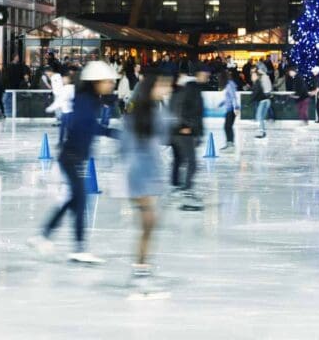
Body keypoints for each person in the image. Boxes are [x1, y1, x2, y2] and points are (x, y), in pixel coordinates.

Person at [28, 61, 119, 264]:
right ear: (96, 82)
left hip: (74, 157)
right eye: (108, 81)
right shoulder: (86, 101)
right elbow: (86, 126)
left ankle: (43, 236)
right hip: (71, 157)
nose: (111, 84)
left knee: (74, 201)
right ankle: (77, 248)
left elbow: (92, 125)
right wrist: (113, 133)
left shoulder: (91, 99)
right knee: (80, 201)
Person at [120, 70, 172, 290]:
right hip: (138, 173)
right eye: (162, 85)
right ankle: (140, 268)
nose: (166, 89)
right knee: (149, 222)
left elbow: (163, 136)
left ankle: (142, 266)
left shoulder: (155, 110)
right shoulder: (136, 111)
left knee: (149, 224)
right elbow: (126, 144)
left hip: (151, 172)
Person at [170, 65, 206, 210]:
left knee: (180, 160)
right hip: (182, 132)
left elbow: (196, 113)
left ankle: (179, 188)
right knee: (190, 162)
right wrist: (185, 126)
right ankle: (185, 192)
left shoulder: (186, 89)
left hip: (183, 131)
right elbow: (180, 110)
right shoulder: (188, 89)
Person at [219, 68, 240, 150]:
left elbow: (233, 97)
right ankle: (230, 143)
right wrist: (222, 103)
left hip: (231, 109)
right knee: (228, 126)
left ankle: (230, 144)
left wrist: (236, 108)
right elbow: (229, 98)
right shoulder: (229, 84)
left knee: (227, 126)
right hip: (229, 109)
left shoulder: (229, 84)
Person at [251, 62, 273, 139]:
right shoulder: (264, 77)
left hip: (264, 100)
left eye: (258, 69)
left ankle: (262, 132)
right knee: (260, 117)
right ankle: (262, 132)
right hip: (265, 100)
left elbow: (265, 90)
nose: (257, 71)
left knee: (259, 116)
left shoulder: (264, 77)